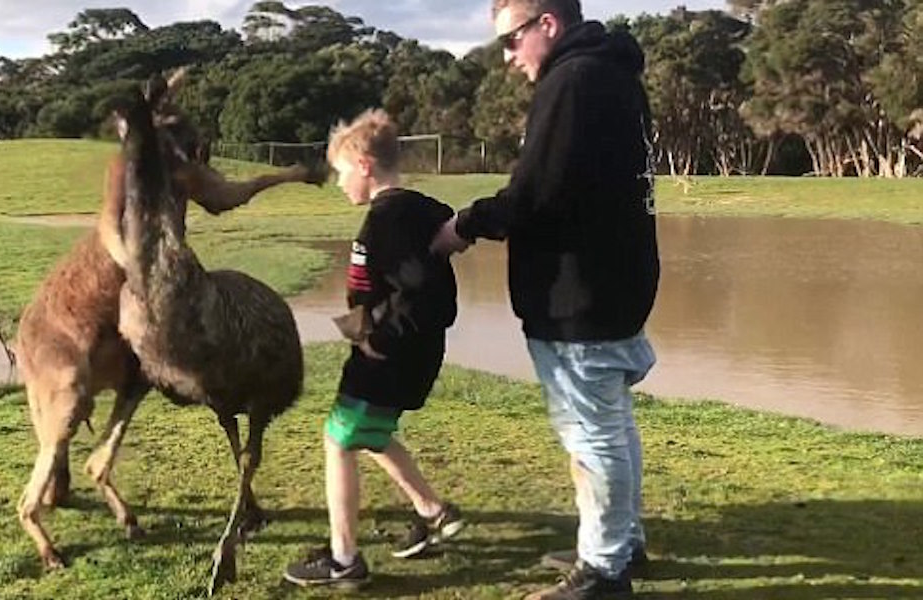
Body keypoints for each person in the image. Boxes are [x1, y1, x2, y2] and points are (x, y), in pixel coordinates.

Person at [430, 1, 660, 598]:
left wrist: (466, 225)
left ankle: (605, 570)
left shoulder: (574, 80)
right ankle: (620, 543)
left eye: (510, 41)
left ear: (547, 25)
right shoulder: (609, 73)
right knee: (610, 423)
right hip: (611, 280)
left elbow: (535, 192)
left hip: (581, 290)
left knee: (593, 431)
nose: (507, 59)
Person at [283, 108, 465, 588]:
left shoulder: (384, 222)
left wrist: (376, 337)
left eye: (342, 173)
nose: (341, 184)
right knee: (371, 430)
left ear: (363, 164)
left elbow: (420, 291)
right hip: (409, 353)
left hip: (389, 355)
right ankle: (435, 511)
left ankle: (344, 559)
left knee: (337, 439)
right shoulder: (415, 211)